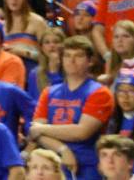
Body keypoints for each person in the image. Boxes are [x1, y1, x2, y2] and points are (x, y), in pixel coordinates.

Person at [30, 36, 114, 180]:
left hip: (86, 165)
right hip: (52, 163)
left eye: (79, 56)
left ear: (90, 61)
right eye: (67, 56)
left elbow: (82, 132)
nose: (72, 60)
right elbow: (36, 133)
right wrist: (63, 150)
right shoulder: (49, 92)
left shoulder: (100, 92)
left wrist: (42, 129)